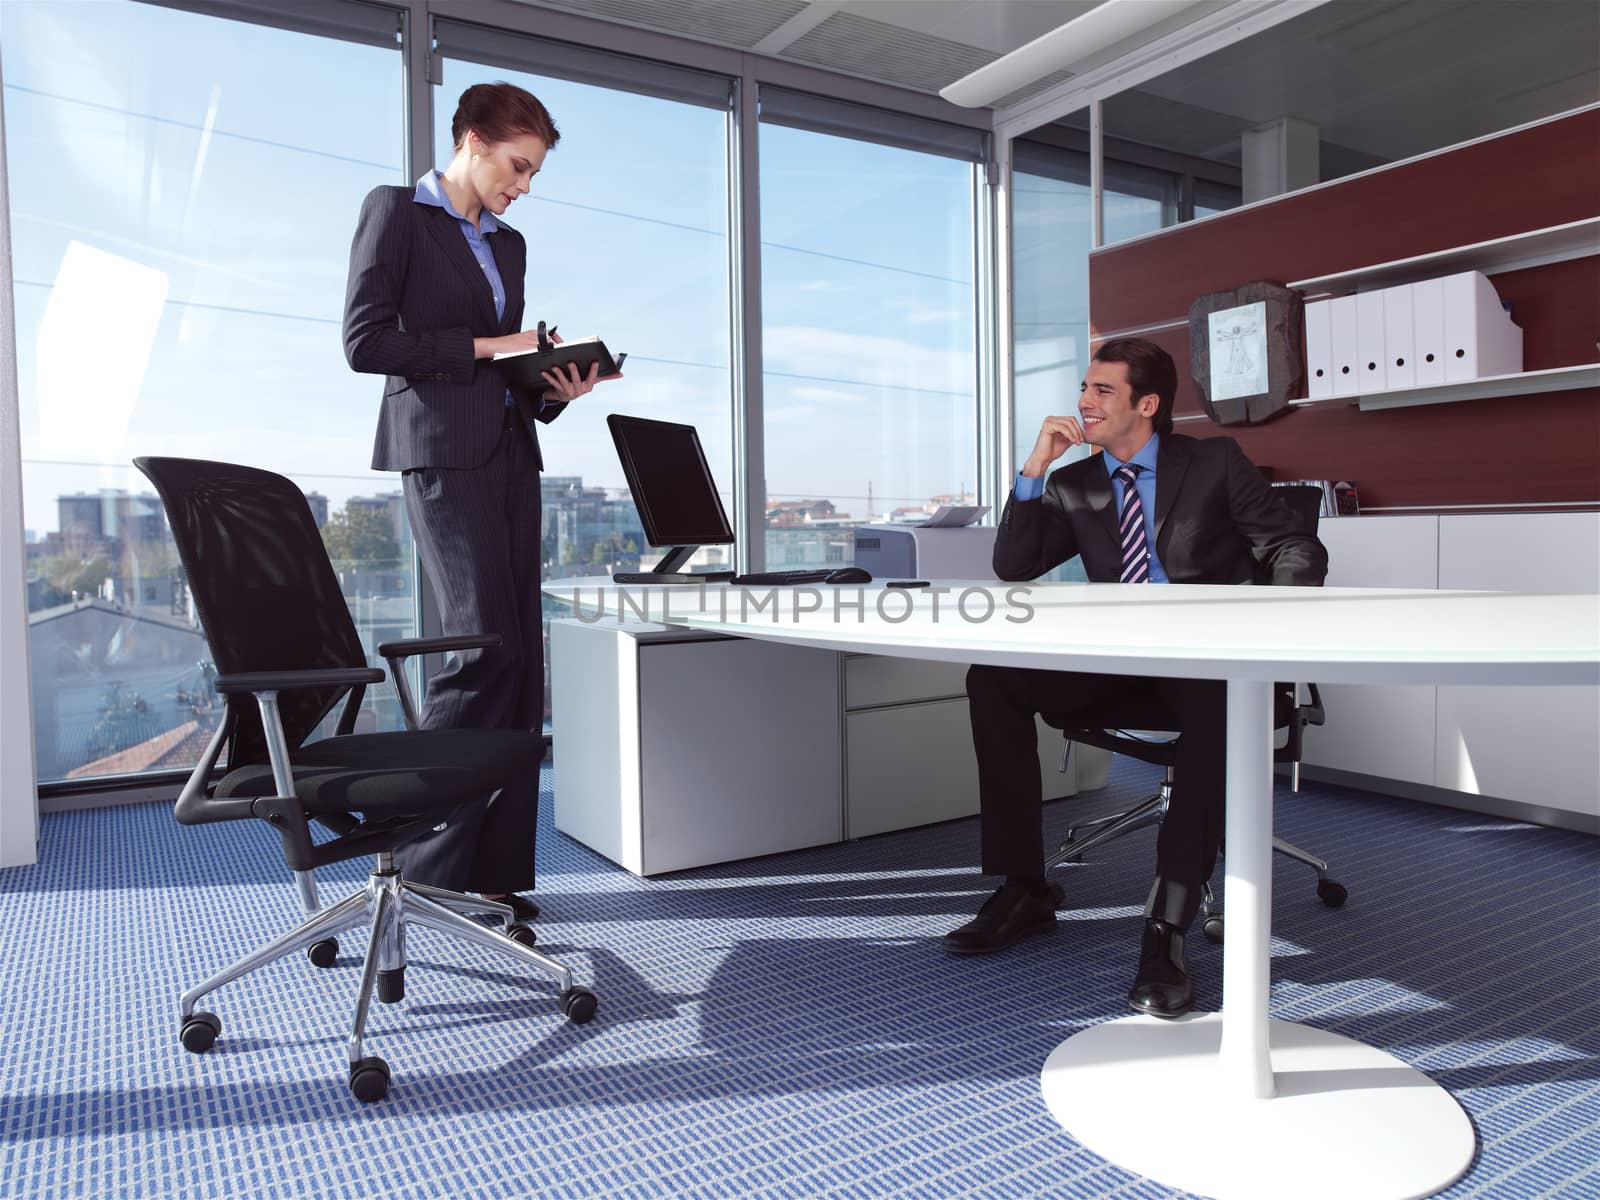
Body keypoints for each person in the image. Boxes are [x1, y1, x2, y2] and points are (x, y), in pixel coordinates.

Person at [944, 337, 1327, 1018]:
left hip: (1208, 663)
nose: (1084, 403)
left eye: (1102, 391)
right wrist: (1034, 469)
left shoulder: (1213, 463)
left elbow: (1294, 544)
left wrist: (1269, 623)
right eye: (1084, 389)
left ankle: (1166, 924)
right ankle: (1024, 887)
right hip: (1122, 668)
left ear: (1147, 405)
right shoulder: (1074, 483)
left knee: (1216, 695)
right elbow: (1013, 565)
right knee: (994, 675)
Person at [342, 82, 612, 916]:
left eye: (532, 173)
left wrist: (552, 387)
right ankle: (422, 863)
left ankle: (488, 866)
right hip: (439, 453)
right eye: (517, 166)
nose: (522, 186)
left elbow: (501, 370)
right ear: (471, 139)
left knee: (519, 659)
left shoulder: (512, 245)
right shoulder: (396, 211)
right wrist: (501, 343)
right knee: (474, 647)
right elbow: (366, 342)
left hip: (508, 451)